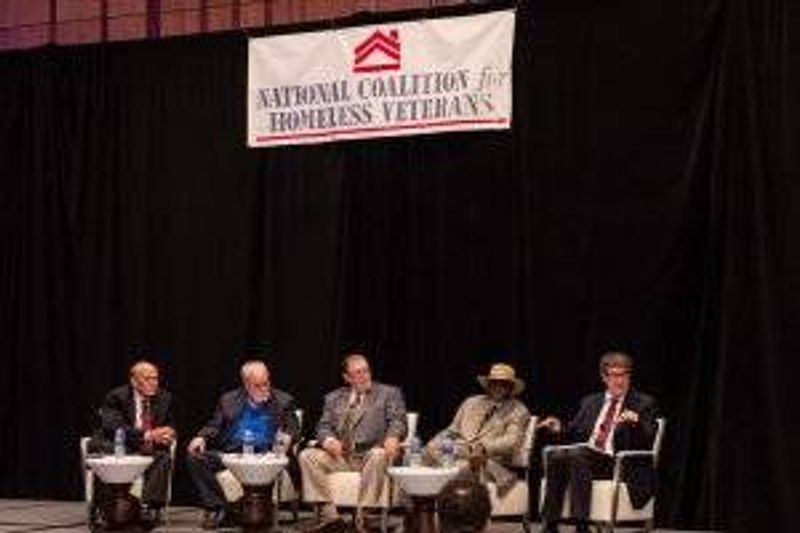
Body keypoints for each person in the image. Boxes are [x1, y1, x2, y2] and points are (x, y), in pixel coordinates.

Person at [538, 351, 658, 533]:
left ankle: (581, 525)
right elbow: (574, 432)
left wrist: (636, 423)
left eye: (624, 375)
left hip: (619, 463)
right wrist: (558, 428)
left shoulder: (643, 403)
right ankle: (551, 524)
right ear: (604, 377)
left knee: (578, 454)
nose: (620, 380)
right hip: (589, 459)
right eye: (615, 375)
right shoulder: (590, 402)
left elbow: (648, 440)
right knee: (555, 455)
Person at [299, 351, 407, 531]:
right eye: (357, 373)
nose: (364, 376)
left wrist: (393, 436)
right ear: (346, 378)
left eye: (366, 371)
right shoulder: (333, 398)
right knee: (307, 455)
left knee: (378, 454)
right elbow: (322, 427)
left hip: (372, 456)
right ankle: (330, 516)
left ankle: (363, 515)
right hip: (342, 456)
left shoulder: (388, 393)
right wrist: (328, 440)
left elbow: (398, 420)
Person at [186, 359, 300, 530]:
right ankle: (218, 508)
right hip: (234, 454)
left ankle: (248, 511)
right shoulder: (228, 400)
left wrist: (288, 437)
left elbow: (293, 428)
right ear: (246, 384)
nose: (264, 389)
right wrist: (201, 437)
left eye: (266, 383)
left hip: (266, 455)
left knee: (267, 468)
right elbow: (214, 425)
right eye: (258, 385)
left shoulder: (284, 401)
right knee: (195, 458)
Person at [425, 363, 530, 496]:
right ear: (488, 384)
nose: (498, 387)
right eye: (494, 383)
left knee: (463, 467)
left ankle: (457, 509)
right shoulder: (471, 402)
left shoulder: (518, 410)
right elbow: (452, 430)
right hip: (461, 450)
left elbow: (511, 441)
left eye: (503, 384)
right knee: (426, 452)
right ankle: (412, 507)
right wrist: (435, 442)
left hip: (489, 459)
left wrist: (484, 447)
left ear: (510, 387)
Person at [92, 360, 176, 525]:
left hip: (146, 447)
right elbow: (113, 427)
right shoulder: (116, 396)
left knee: (163, 457)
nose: (153, 383)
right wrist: (149, 435)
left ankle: (148, 506)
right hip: (118, 444)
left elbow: (170, 424)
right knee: (106, 455)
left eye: (155, 378)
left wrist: (169, 432)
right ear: (134, 380)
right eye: (147, 379)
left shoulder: (165, 397)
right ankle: (103, 508)